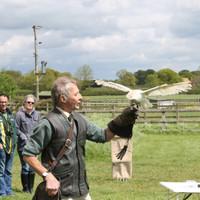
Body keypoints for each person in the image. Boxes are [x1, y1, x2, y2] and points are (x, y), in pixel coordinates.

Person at [23, 76, 138, 200]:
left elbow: (104, 135)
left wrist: (122, 120)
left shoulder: (79, 119)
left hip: (82, 191)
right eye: (76, 94)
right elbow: (28, 154)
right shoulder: (48, 123)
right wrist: (47, 176)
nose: (81, 97)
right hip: (60, 193)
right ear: (63, 98)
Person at [15, 94, 40, 193]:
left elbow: (39, 129)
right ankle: (25, 189)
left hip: (34, 145)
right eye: (28, 102)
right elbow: (16, 128)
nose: (30, 104)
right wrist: (23, 137)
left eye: (32, 103)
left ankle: (31, 189)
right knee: (25, 167)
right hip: (23, 145)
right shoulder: (19, 115)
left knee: (33, 167)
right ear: (24, 103)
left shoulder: (37, 114)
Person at [0, 93, 17, 196]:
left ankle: (8, 191)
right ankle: (2, 192)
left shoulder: (10, 114)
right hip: (1, 147)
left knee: (9, 170)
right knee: (1, 171)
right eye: (1, 102)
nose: (3, 104)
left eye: (5, 102)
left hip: (11, 146)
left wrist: (15, 141)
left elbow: (15, 130)